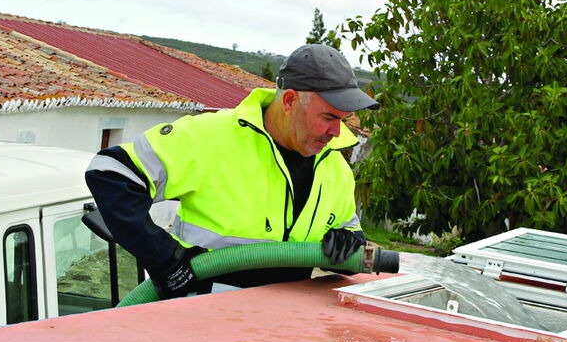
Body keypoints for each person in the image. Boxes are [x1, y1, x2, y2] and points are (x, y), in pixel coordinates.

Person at [85, 43, 380, 299]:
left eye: (344, 119)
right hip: (201, 318)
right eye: (328, 117)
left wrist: (347, 240)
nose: (336, 131)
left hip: (281, 328)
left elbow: (346, 225)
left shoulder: (334, 166)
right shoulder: (211, 137)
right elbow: (109, 172)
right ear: (290, 101)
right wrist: (166, 259)